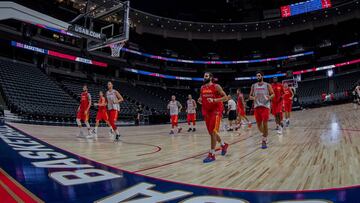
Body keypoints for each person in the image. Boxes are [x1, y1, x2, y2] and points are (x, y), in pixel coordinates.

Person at [198, 72, 229, 163]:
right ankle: (223, 145)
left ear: (211, 78)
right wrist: (200, 100)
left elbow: (226, 97)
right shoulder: (202, 88)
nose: (204, 77)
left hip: (216, 111)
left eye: (206, 76)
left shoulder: (216, 86)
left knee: (213, 132)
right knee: (211, 133)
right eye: (204, 76)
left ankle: (212, 154)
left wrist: (215, 100)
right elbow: (201, 98)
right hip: (206, 112)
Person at [249, 71, 274, 149]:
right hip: (257, 106)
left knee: (265, 123)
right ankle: (265, 134)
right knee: (259, 125)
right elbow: (250, 96)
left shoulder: (267, 85)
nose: (258, 77)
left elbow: (273, 94)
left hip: (265, 106)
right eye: (257, 76)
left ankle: (264, 139)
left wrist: (269, 97)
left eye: (259, 76)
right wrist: (253, 98)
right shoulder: (253, 85)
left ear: (262, 76)